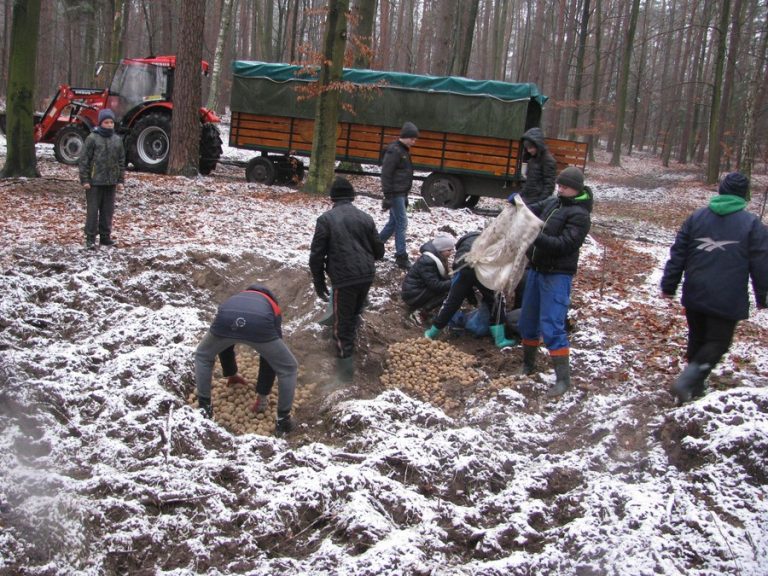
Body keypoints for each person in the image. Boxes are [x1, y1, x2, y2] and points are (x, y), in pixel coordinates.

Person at [661, 172, 768, 403]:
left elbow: (678, 253)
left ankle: (693, 389)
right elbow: (762, 263)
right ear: (744, 195)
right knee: (718, 342)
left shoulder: (697, 217)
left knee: (698, 338)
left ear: (721, 190)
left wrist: (669, 285)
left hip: (695, 291)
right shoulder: (752, 225)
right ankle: (688, 381)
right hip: (727, 296)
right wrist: (763, 296)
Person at [517, 166, 593, 397]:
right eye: (559, 185)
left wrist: (536, 237)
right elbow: (535, 208)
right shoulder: (555, 202)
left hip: (557, 275)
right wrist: (518, 203)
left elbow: (565, 245)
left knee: (552, 325)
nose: (560, 189)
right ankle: (528, 365)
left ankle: (562, 379)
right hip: (537, 270)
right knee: (528, 321)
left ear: (577, 189)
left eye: (565, 186)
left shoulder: (580, 215)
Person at [194, 284, 298, 436]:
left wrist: (231, 373)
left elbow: (225, 344)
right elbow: (270, 359)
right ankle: (283, 421)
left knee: (203, 355)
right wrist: (262, 396)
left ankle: (204, 409)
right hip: (259, 325)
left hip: (226, 319)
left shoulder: (233, 299)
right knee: (288, 368)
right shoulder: (273, 308)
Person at [310, 177, 385, 382]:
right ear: (352, 196)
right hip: (367, 275)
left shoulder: (325, 220)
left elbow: (317, 255)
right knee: (352, 312)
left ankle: (344, 374)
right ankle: (354, 339)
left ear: (332, 198)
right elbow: (379, 250)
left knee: (341, 324)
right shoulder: (365, 218)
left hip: (344, 278)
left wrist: (319, 282)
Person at [423, 232, 518, 349]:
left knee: (452, 302)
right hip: (481, 269)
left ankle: (431, 333)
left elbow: (457, 266)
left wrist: (468, 293)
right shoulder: (489, 240)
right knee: (497, 301)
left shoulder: (464, 245)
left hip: (464, 269)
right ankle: (500, 339)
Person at [78, 108, 126, 250]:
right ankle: (90, 238)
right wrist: (85, 179)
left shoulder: (117, 140)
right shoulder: (92, 138)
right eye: (106, 122)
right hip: (94, 182)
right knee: (93, 211)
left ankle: (105, 237)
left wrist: (120, 180)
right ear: (101, 123)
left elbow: (121, 161)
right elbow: (84, 160)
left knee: (107, 211)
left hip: (110, 181)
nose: (110, 125)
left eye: (111, 122)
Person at [379, 121, 418, 269]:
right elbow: (386, 174)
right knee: (402, 223)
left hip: (401, 193)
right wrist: (388, 196)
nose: (414, 142)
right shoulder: (395, 151)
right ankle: (401, 256)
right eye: (412, 139)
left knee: (393, 224)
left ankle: (374, 246)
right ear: (405, 136)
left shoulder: (403, 150)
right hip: (395, 193)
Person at [401, 233, 455, 319]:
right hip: (413, 294)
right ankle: (420, 311)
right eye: (449, 250)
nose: (451, 253)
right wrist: (454, 281)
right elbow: (435, 285)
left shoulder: (438, 257)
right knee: (448, 292)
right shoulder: (428, 261)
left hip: (418, 289)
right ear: (441, 249)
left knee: (448, 288)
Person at [519, 127, 556, 204]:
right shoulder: (532, 160)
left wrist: (539, 203)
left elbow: (549, 187)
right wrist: (519, 195)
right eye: (527, 148)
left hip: (538, 202)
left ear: (538, 145)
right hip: (529, 200)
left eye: (531, 148)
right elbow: (529, 183)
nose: (529, 151)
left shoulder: (548, 160)